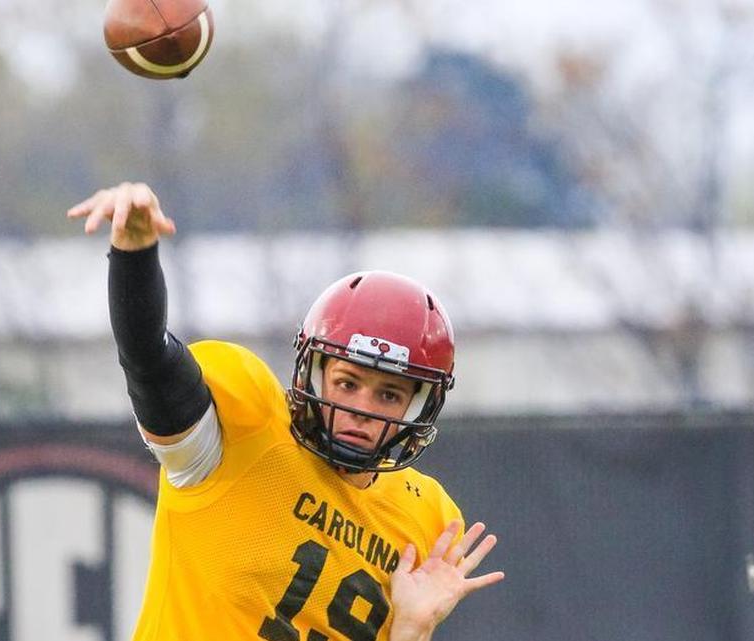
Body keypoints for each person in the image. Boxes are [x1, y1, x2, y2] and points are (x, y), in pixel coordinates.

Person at [68, 182, 504, 641]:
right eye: (347, 383)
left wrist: (412, 630)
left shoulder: (425, 522)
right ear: (313, 373)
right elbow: (149, 361)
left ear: (420, 406)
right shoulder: (245, 433)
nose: (362, 408)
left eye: (389, 395)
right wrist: (135, 254)